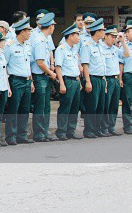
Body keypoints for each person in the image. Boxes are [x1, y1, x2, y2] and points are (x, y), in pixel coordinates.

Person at [4, 17, 34, 145]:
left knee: (25, 109)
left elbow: (28, 65)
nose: (30, 33)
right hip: (15, 80)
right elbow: (4, 66)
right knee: (13, 109)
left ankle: (22, 135)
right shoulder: (9, 45)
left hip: (26, 80)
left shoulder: (28, 45)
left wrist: (31, 80)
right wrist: (7, 84)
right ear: (21, 32)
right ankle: (11, 136)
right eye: (28, 31)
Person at [30, 13, 57, 142]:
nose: (54, 27)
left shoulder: (45, 39)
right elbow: (40, 62)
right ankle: (39, 133)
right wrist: (51, 73)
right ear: (50, 26)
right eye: (53, 25)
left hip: (44, 76)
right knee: (40, 106)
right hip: (40, 76)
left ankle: (44, 132)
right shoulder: (40, 40)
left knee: (46, 106)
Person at [80, 18, 107, 138]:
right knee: (92, 105)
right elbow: (85, 64)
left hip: (101, 78)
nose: (104, 32)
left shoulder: (101, 45)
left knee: (101, 105)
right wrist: (88, 81)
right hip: (92, 78)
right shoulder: (87, 46)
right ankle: (89, 129)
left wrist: (104, 79)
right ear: (97, 31)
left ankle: (97, 128)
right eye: (103, 30)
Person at [54, 23, 83, 140]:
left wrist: (79, 81)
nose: (78, 37)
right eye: (77, 35)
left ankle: (71, 130)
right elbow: (58, 67)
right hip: (67, 80)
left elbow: (75, 67)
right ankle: (61, 131)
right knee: (65, 106)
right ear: (70, 36)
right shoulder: (61, 49)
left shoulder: (74, 49)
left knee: (75, 107)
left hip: (75, 80)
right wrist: (61, 83)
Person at [101, 25, 129, 136]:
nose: (114, 39)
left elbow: (126, 54)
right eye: (112, 36)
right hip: (107, 79)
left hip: (116, 79)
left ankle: (111, 127)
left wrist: (122, 41)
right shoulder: (101, 48)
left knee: (114, 105)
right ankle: (104, 127)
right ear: (105, 36)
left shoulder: (115, 49)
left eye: (115, 37)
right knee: (106, 105)